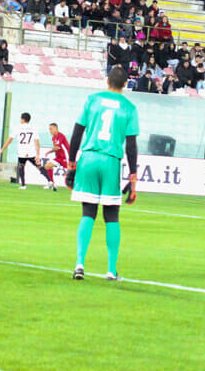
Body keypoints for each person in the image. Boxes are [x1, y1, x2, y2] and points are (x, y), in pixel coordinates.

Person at [67, 66, 139, 281]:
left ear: (107, 81)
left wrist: (72, 165)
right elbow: (131, 145)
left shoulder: (92, 99)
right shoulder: (129, 107)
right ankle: (110, 269)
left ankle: (79, 264)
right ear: (125, 84)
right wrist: (133, 178)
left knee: (88, 212)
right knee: (111, 215)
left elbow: (77, 132)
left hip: (88, 158)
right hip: (110, 162)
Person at [0, 112, 40, 189]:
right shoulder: (34, 128)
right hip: (31, 152)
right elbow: (37, 142)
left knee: (21, 168)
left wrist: (2, 149)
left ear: (23, 119)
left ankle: (23, 185)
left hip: (22, 152)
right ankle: (49, 181)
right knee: (38, 166)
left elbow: (9, 140)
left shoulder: (18, 127)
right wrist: (38, 154)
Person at [41, 122, 71, 192]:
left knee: (73, 171)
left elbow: (57, 147)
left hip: (66, 157)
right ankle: (51, 183)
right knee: (47, 166)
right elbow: (57, 149)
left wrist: (49, 152)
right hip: (59, 158)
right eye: (49, 129)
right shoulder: (53, 138)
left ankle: (83, 184)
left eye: (51, 129)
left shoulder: (61, 136)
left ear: (56, 128)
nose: (50, 131)